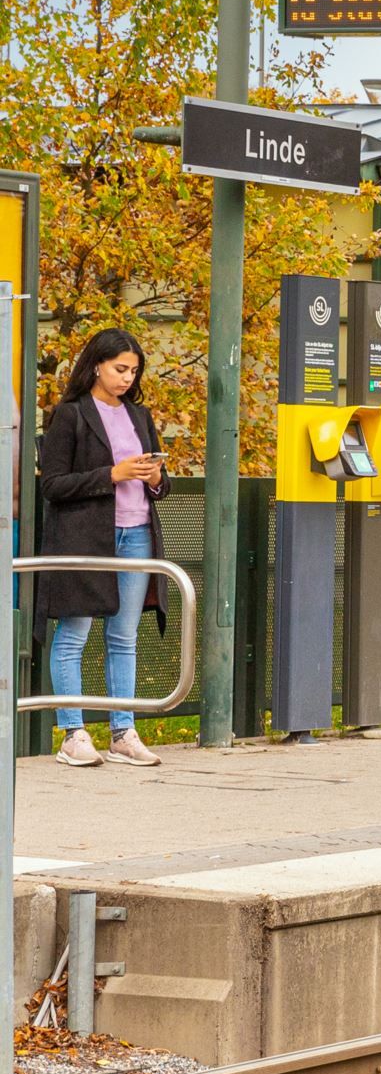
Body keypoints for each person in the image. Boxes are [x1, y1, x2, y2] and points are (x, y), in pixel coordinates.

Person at [36, 329, 172, 768]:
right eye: (120, 369)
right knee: (73, 634)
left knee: (124, 637)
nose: (128, 378)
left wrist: (155, 477)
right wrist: (112, 474)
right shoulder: (70, 414)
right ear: (96, 365)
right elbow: (53, 485)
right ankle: (72, 733)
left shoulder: (139, 415)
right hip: (86, 538)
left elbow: (160, 485)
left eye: (134, 371)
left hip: (137, 534)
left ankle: (122, 733)